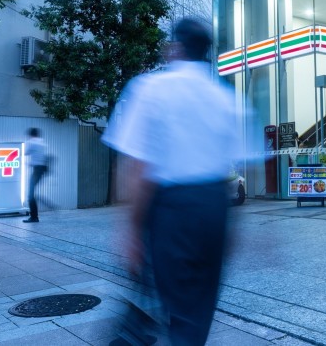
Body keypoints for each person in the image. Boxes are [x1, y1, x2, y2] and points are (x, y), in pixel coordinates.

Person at [102, 18, 244, 346]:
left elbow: (137, 167)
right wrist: (231, 232)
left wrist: (132, 231)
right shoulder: (224, 97)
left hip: (170, 208)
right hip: (213, 208)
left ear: (174, 48)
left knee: (165, 297)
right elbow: (235, 167)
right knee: (197, 309)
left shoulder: (150, 88)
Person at [24, 127, 48, 223]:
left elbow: (26, 153)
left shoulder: (32, 142)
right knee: (32, 192)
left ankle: (34, 217)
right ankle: (34, 216)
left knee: (30, 194)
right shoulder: (43, 143)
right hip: (41, 169)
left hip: (37, 170)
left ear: (31, 134)